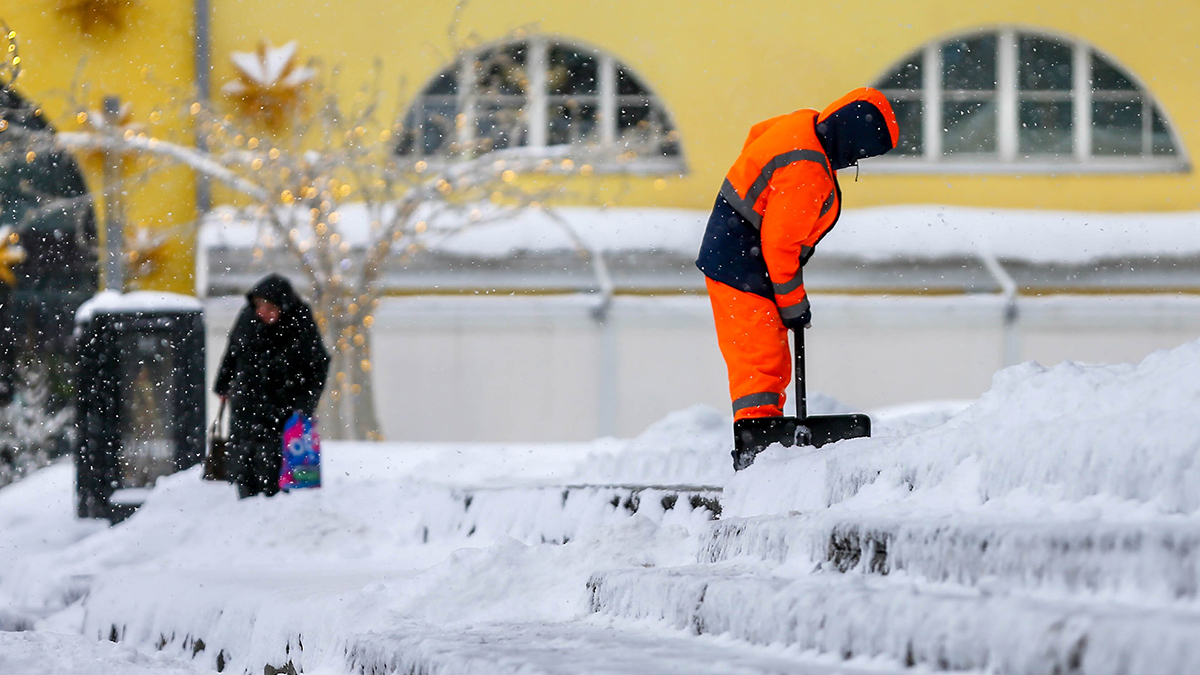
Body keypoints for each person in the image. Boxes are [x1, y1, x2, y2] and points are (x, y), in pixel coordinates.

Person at [695, 88, 898, 468]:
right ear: (853, 139)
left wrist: (759, 194)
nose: (854, 160)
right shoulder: (808, 170)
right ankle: (758, 449)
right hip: (742, 263)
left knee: (764, 354)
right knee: (760, 359)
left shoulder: (799, 126)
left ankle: (762, 436)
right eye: (861, 153)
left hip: (739, 253)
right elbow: (780, 246)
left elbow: (757, 134)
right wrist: (794, 305)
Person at [215, 274, 330, 498]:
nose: (262, 312)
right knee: (244, 462)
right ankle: (245, 506)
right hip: (246, 404)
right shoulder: (247, 318)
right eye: (259, 306)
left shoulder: (300, 320)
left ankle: (274, 512)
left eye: (269, 307)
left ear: (283, 305)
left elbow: (318, 366)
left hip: (282, 409)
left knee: (274, 467)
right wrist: (223, 384)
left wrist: (305, 404)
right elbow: (232, 352)